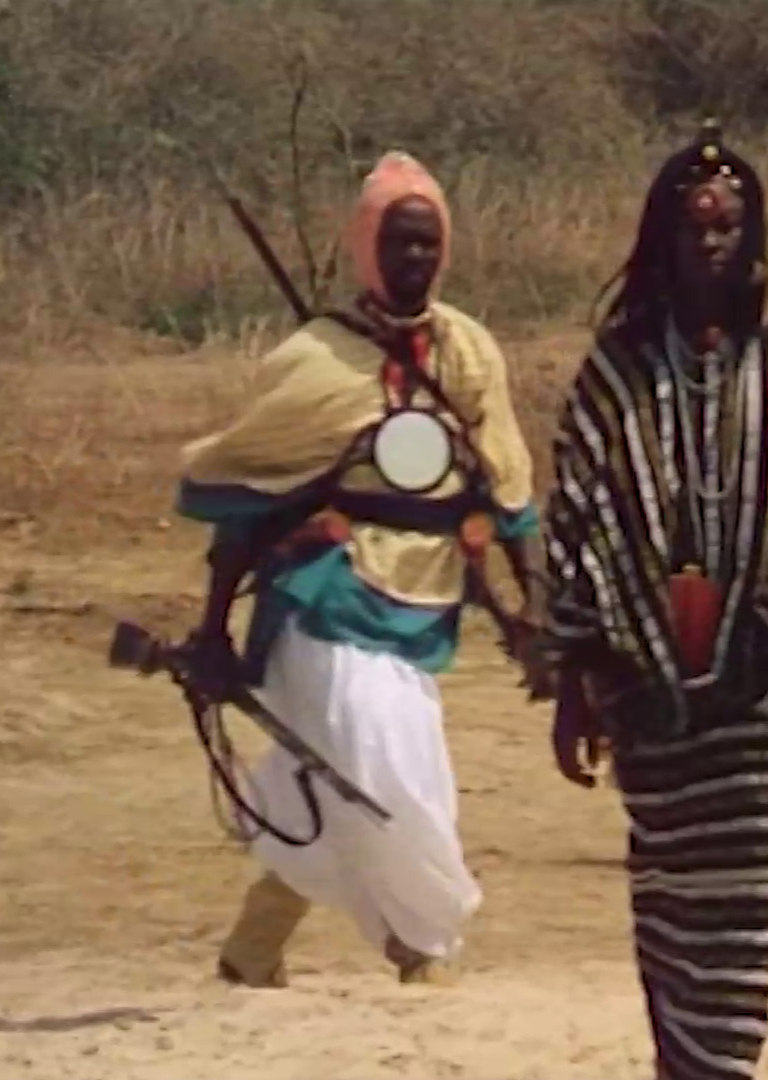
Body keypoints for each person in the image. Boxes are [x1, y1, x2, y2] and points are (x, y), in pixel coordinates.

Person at [530, 122, 768, 1078]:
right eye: (695, 227)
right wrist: (574, 684)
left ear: (752, 237)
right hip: (647, 687)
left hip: (762, 685)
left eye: (729, 226)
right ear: (664, 239)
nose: (712, 242)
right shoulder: (616, 374)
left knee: (746, 917)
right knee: (671, 907)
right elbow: (580, 520)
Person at [172, 150, 539, 988]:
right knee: (386, 764)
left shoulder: (468, 352)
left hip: (426, 597)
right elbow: (243, 502)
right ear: (370, 248)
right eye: (399, 242)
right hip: (325, 596)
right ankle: (423, 946)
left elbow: (506, 485)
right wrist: (213, 633)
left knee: (326, 776)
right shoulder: (315, 359)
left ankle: (253, 949)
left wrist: (533, 611)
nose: (415, 257)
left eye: (427, 242)